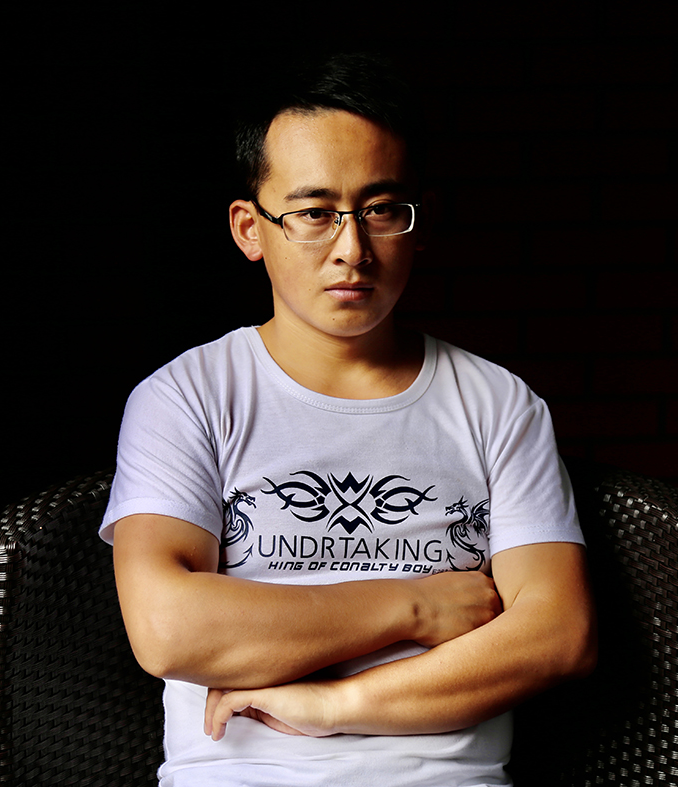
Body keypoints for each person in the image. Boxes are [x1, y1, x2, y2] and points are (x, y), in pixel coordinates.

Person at [100, 51, 596, 787]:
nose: (352, 250)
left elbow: (559, 634)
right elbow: (167, 628)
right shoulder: (186, 396)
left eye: (381, 209)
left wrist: (334, 704)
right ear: (250, 228)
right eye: (313, 214)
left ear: (417, 223)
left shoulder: (498, 403)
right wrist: (414, 605)